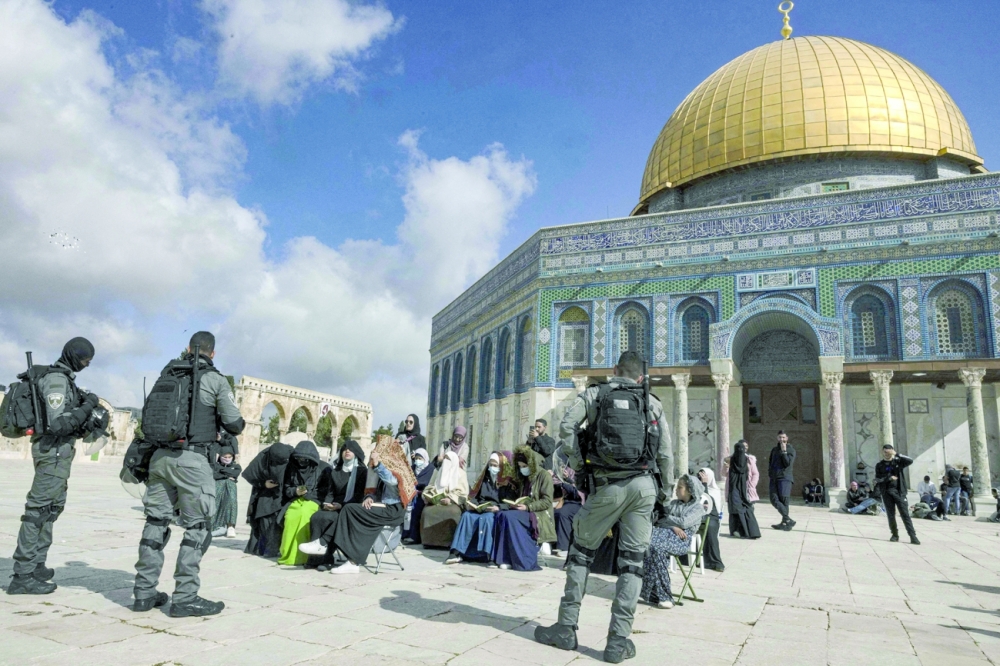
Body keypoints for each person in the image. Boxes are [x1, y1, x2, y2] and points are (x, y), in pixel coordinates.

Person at [535, 351, 673, 664]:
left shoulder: (595, 395)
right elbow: (665, 454)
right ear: (640, 377)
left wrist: (578, 467)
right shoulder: (652, 402)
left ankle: (566, 628)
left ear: (614, 370)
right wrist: (662, 494)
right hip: (644, 488)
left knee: (581, 553)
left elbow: (567, 427)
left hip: (607, 486)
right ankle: (617, 642)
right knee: (632, 563)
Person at [133, 331, 245, 617]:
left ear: (188, 348)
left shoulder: (167, 373)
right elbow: (235, 423)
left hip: (159, 458)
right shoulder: (214, 379)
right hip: (193, 461)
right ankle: (184, 597)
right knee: (198, 528)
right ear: (213, 353)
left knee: (156, 522)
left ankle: (143, 593)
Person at [7, 338, 101, 596]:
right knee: (37, 511)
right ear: (73, 356)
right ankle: (22, 575)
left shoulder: (65, 378)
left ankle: (36, 563)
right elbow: (58, 424)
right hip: (52, 452)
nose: (87, 365)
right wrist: (88, 406)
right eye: (85, 360)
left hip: (59, 453)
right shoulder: (57, 381)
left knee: (51, 509)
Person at [326, 444, 413, 574]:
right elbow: (375, 488)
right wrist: (369, 497)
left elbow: (392, 482)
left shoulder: (398, 468)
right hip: (382, 507)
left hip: (393, 510)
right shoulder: (382, 467)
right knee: (351, 510)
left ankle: (350, 559)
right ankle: (347, 554)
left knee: (349, 509)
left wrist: (377, 465)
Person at [640, 474, 707, 609]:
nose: (676, 490)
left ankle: (663, 595)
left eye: (680, 487)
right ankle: (653, 592)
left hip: (681, 540)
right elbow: (658, 519)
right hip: (664, 533)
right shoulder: (673, 504)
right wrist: (672, 526)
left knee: (656, 549)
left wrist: (668, 519)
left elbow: (684, 522)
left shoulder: (697, 508)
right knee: (645, 545)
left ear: (689, 490)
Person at [297, 440, 367, 568]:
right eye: (344, 449)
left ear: (356, 453)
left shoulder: (362, 471)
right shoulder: (336, 471)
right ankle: (316, 559)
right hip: (335, 504)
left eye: (350, 449)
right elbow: (330, 492)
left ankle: (326, 557)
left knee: (334, 518)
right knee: (318, 517)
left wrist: (342, 505)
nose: (347, 451)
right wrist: (326, 504)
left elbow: (359, 495)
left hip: (351, 507)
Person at [446, 451, 517, 564]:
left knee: (487, 519)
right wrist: (471, 504)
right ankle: (456, 552)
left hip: (494, 510)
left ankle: (488, 555)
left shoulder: (508, 483)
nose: (492, 468)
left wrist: (498, 507)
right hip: (481, 507)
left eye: (495, 465)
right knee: (466, 516)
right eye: (490, 465)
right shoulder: (484, 479)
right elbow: (476, 496)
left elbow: (511, 502)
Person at [493, 446, 555, 571]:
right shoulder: (523, 479)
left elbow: (547, 501)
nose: (522, 469)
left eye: (524, 466)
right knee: (501, 515)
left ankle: (521, 561)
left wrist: (528, 506)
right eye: (520, 467)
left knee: (509, 517)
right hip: (524, 510)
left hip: (538, 514)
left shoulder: (544, 476)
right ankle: (504, 558)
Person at [243, 442, 293, 557]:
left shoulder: (291, 456)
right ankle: (265, 546)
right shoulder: (263, 458)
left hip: (286, 493)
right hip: (265, 491)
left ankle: (278, 546)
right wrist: (263, 483)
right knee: (264, 513)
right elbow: (251, 475)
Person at [420, 450, 470, 547]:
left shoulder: (461, 473)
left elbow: (463, 492)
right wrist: (429, 495)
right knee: (427, 512)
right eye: (445, 459)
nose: (446, 461)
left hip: (453, 502)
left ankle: (449, 543)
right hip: (437, 501)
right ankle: (429, 542)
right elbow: (430, 486)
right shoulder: (437, 471)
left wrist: (450, 499)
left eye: (449, 459)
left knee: (453, 512)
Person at [874, 444, 919, 545]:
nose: (886, 454)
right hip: (887, 492)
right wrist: (888, 478)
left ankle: (913, 536)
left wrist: (896, 454)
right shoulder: (880, 465)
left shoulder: (897, 462)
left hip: (899, 492)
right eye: (885, 452)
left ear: (892, 451)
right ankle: (894, 534)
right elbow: (877, 480)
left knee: (905, 514)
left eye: (888, 451)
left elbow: (910, 460)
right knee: (891, 515)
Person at [727, 440, 760, 539]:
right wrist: (726, 466)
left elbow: (755, 473)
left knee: (747, 509)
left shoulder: (749, 460)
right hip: (734, 489)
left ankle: (751, 532)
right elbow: (724, 474)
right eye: (738, 449)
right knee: (736, 509)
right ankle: (739, 531)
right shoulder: (730, 460)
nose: (741, 451)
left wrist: (752, 485)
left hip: (745, 489)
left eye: (743, 449)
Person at [402, 448, 434, 544]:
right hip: (411, 495)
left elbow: (429, 484)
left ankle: (415, 537)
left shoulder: (430, 469)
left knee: (416, 511)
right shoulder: (412, 468)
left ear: (425, 458)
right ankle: (405, 534)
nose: (417, 461)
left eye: (420, 458)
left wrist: (419, 490)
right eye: (416, 458)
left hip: (423, 496)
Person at [696, 467, 725, 572]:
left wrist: (704, 485)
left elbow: (707, 504)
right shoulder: (697, 488)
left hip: (712, 517)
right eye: (699, 476)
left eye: (704, 476)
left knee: (709, 527)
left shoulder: (714, 491)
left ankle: (715, 562)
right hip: (698, 517)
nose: (701, 479)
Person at [210, 444, 241, 538]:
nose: (227, 459)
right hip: (218, 487)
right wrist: (227, 475)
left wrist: (222, 472)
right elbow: (214, 475)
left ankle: (230, 526)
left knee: (231, 503)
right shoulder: (215, 466)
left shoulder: (236, 466)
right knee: (215, 503)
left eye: (229, 457)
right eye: (225, 457)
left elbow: (235, 473)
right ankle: (213, 526)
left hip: (230, 488)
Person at [552, 466, 584, 557]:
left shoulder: (578, 472)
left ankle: (564, 547)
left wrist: (566, 480)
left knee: (563, 513)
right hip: (561, 502)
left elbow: (577, 494)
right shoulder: (556, 474)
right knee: (550, 513)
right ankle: (549, 543)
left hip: (577, 503)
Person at [768, 431, 796, 531]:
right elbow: (770, 463)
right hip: (774, 478)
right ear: (777, 438)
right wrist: (770, 474)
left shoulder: (791, 450)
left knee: (784, 501)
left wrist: (784, 452)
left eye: (783, 437)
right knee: (773, 499)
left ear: (787, 438)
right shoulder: (774, 450)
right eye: (780, 437)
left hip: (785, 478)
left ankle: (785, 523)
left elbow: (787, 463)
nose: (782, 440)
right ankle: (788, 520)